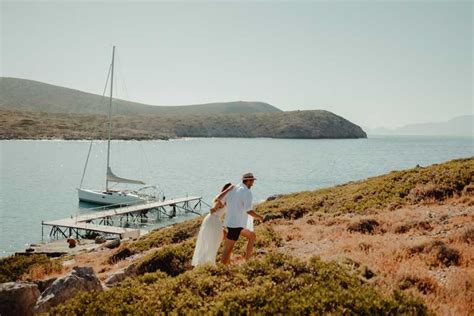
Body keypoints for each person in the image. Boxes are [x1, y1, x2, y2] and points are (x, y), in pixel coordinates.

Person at [221, 172, 263, 265]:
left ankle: (247, 262)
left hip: (231, 222)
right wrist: (259, 217)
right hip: (236, 224)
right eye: (252, 181)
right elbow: (248, 210)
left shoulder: (234, 189)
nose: (253, 183)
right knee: (228, 249)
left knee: (252, 235)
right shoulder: (247, 192)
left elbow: (225, 202)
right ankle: (223, 268)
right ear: (247, 180)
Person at [191, 183, 234, 266]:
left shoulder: (226, 200)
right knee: (212, 242)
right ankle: (207, 263)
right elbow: (214, 207)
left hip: (215, 220)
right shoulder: (222, 199)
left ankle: (224, 260)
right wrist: (214, 208)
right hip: (213, 220)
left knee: (219, 240)